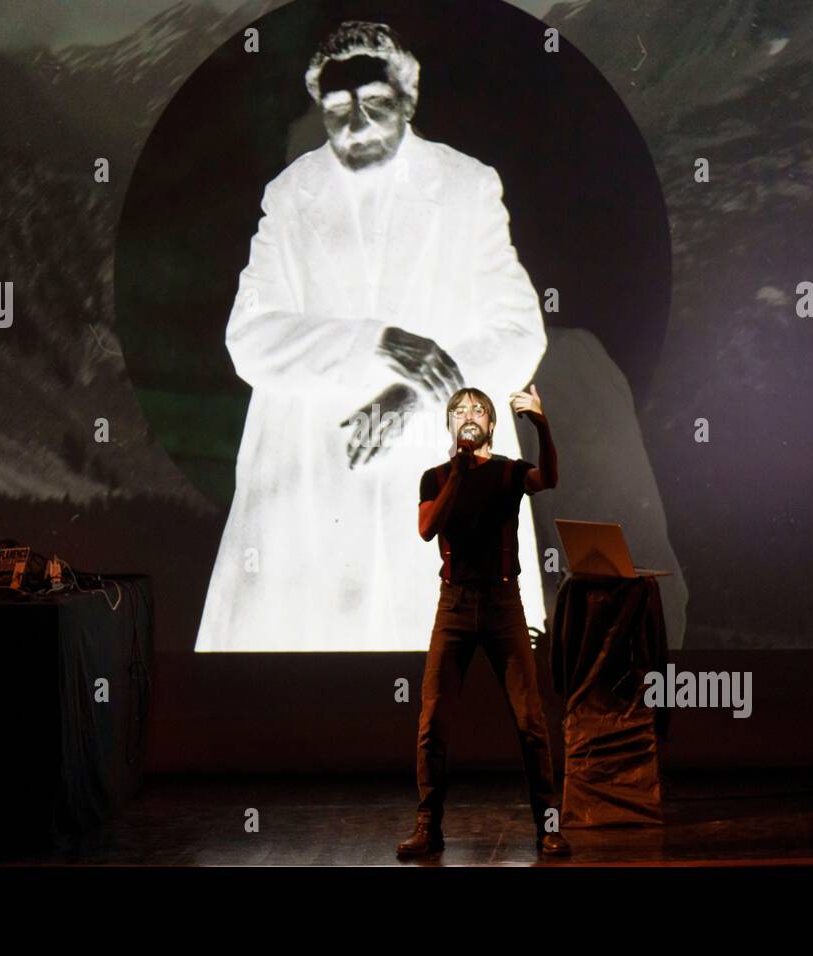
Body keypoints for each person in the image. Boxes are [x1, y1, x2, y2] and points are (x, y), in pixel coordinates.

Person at [195, 20, 548, 651]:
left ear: (409, 101)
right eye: (336, 110)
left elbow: (520, 331)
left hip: (441, 477)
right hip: (312, 484)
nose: (356, 126)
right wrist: (377, 343)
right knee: (306, 695)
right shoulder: (291, 194)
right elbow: (248, 337)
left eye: (376, 106)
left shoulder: (468, 187)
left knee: (451, 689)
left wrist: (422, 392)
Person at [397, 384, 571, 857]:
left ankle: (548, 827)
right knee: (432, 719)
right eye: (459, 410)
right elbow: (428, 528)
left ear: (492, 424)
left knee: (531, 720)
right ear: (450, 425)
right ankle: (428, 826)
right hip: (453, 606)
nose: (468, 414)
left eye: (478, 409)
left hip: (502, 605)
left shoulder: (508, 473)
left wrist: (541, 424)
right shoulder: (435, 478)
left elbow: (549, 479)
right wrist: (458, 465)